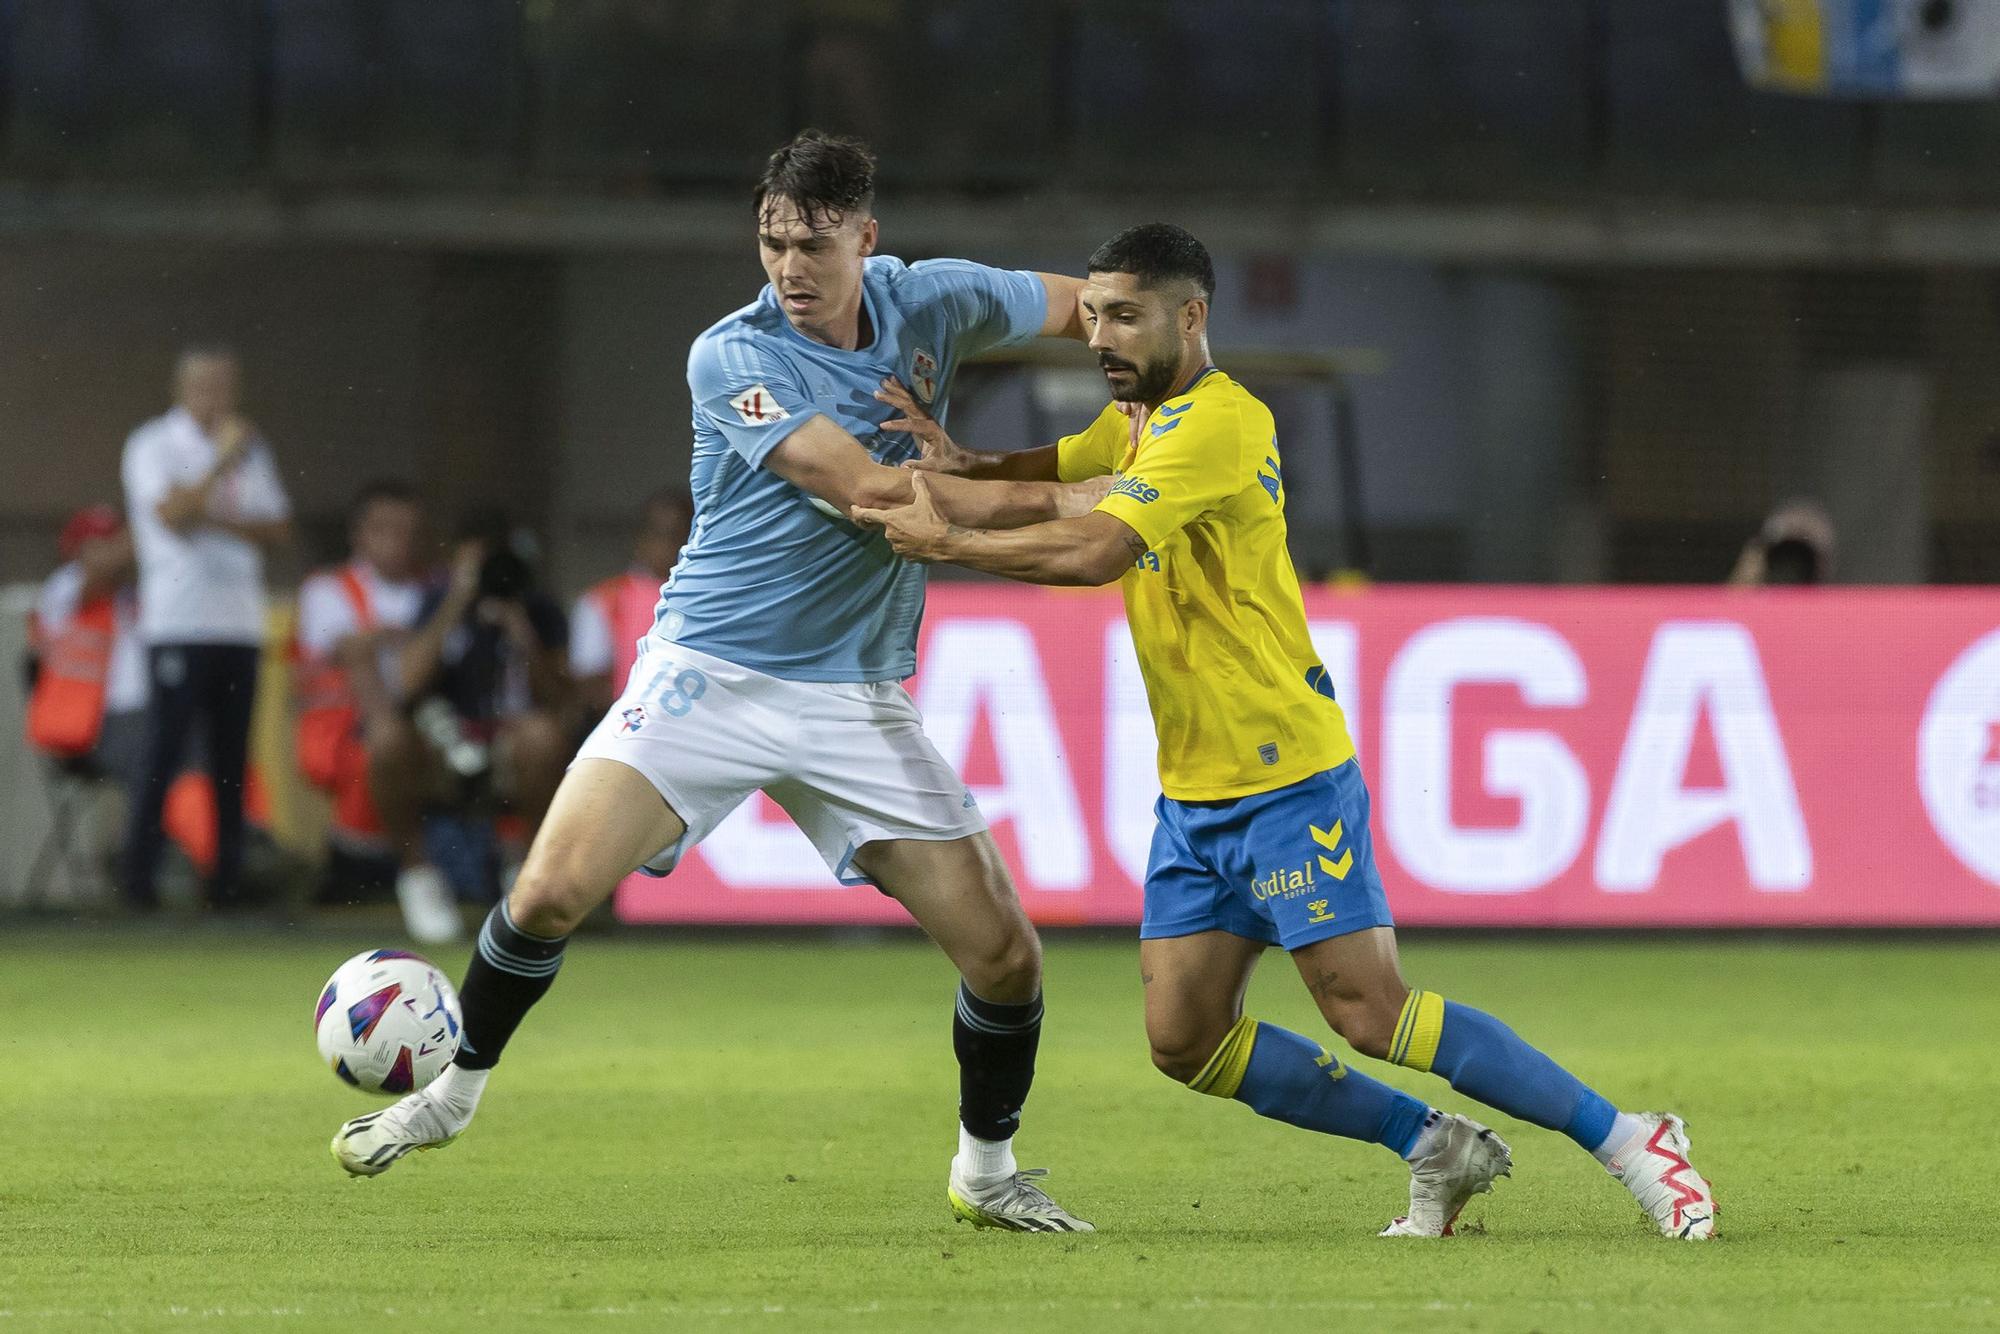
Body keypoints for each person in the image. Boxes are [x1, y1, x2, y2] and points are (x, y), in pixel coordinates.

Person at [852, 223, 1719, 1241]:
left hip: (1282, 773)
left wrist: (945, 537)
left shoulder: (1215, 424)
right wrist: (956, 460)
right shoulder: (1130, 423)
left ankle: (1630, 1137)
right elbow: (1043, 478)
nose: (1100, 335)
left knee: (1369, 1009)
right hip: (1195, 790)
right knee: (1183, 1036)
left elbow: (1088, 548)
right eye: (1092, 313)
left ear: (1191, 316)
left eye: (1125, 315)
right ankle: (1433, 1145)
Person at [333, 130, 1100, 1234]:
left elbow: (1088, 308)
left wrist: (1157, 385)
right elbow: (873, 492)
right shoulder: (730, 356)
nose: (788, 267)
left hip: (854, 696)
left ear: (866, 240)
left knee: (1005, 955)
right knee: (548, 892)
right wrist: (1086, 499)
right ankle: (451, 1096)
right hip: (710, 675)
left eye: (813, 245)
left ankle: (987, 1171)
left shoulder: (936, 299)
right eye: (771, 240)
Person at [119, 347, 292, 912]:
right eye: (204, 385)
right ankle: (137, 880)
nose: (215, 396)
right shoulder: (153, 444)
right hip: (178, 620)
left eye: (224, 385)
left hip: (239, 624)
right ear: (181, 387)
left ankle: (228, 882)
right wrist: (219, 468)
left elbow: (277, 527)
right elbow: (170, 514)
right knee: (164, 752)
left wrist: (211, 514)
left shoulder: (251, 448)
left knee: (231, 758)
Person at [295, 480, 461, 943]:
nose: (398, 541)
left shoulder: (441, 590)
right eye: (384, 529)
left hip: (436, 724)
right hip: (356, 731)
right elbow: (344, 649)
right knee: (386, 731)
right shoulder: (328, 588)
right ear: (359, 536)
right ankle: (416, 873)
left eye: (409, 531)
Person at [568, 487, 692, 719]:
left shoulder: (707, 598)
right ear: (641, 538)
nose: (676, 545)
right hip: (625, 726)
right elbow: (591, 687)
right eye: (664, 534)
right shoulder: (602, 600)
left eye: (684, 534)